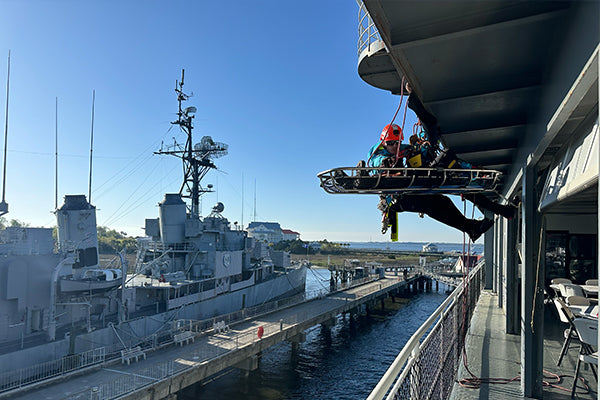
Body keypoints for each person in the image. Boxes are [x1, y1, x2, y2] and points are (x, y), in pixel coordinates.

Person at [363, 87, 515, 242]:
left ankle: (483, 222)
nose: (395, 146)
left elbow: (422, 136)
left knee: (446, 199)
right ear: (384, 143)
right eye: (391, 144)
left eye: (397, 143)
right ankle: (475, 226)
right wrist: (385, 162)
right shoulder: (379, 153)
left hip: (413, 187)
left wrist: (414, 105)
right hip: (399, 198)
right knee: (435, 204)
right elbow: (377, 161)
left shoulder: (402, 150)